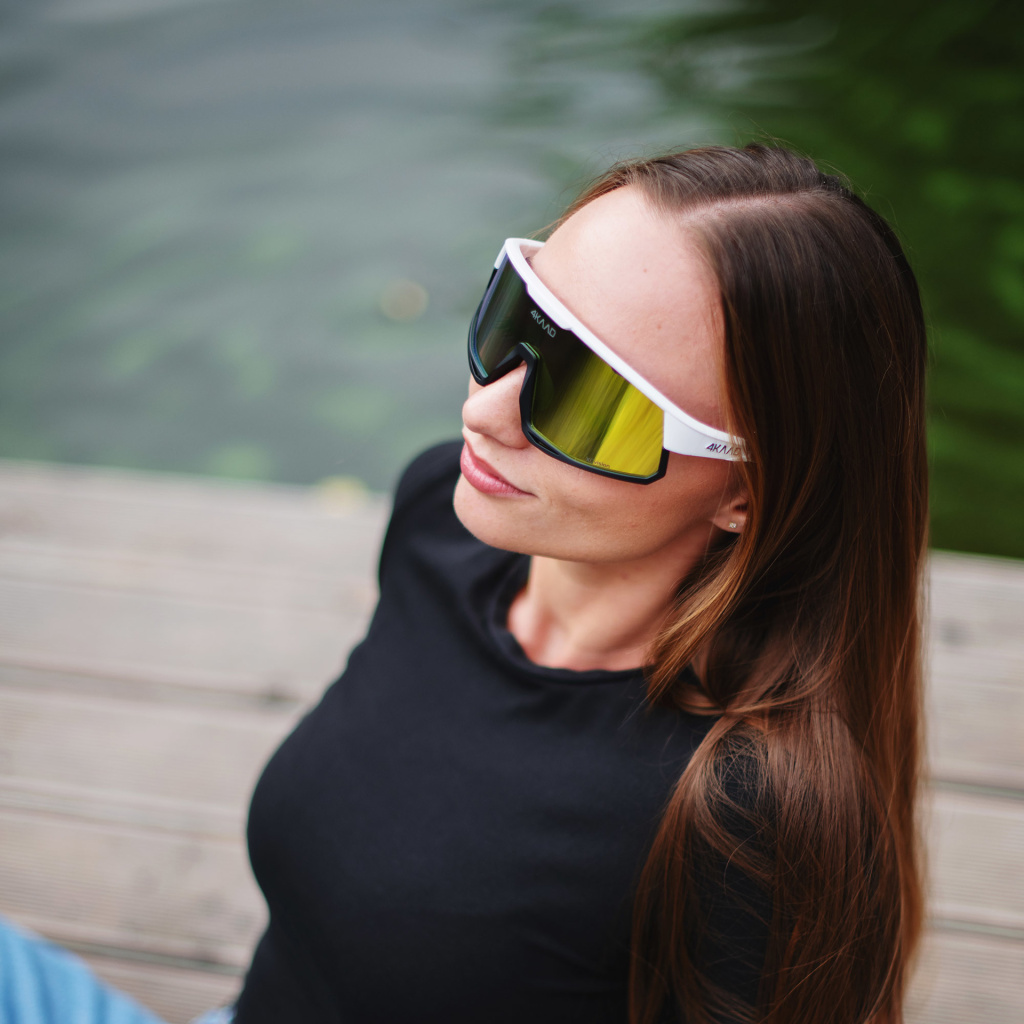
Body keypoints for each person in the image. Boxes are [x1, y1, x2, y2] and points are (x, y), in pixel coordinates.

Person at [0, 143, 927, 1024]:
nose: (485, 411)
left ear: (747, 491)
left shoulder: (753, 814)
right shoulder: (440, 527)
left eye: (590, 401)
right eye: (519, 317)